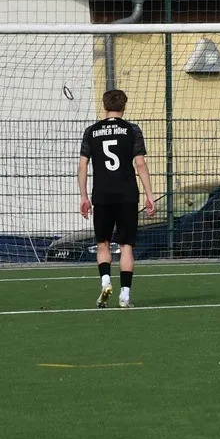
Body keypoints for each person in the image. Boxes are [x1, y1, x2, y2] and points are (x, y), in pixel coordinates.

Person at [77, 89, 157, 308]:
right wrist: (150, 195)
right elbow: (140, 164)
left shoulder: (91, 131)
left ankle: (105, 282)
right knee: (126, 245)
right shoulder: (132, 130)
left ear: (105, 105)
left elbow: (82, 165)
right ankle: (125, 296)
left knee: (102, 243)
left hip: (102, 195)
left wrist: (84, 196)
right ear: (124, 106)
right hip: (127, 194)